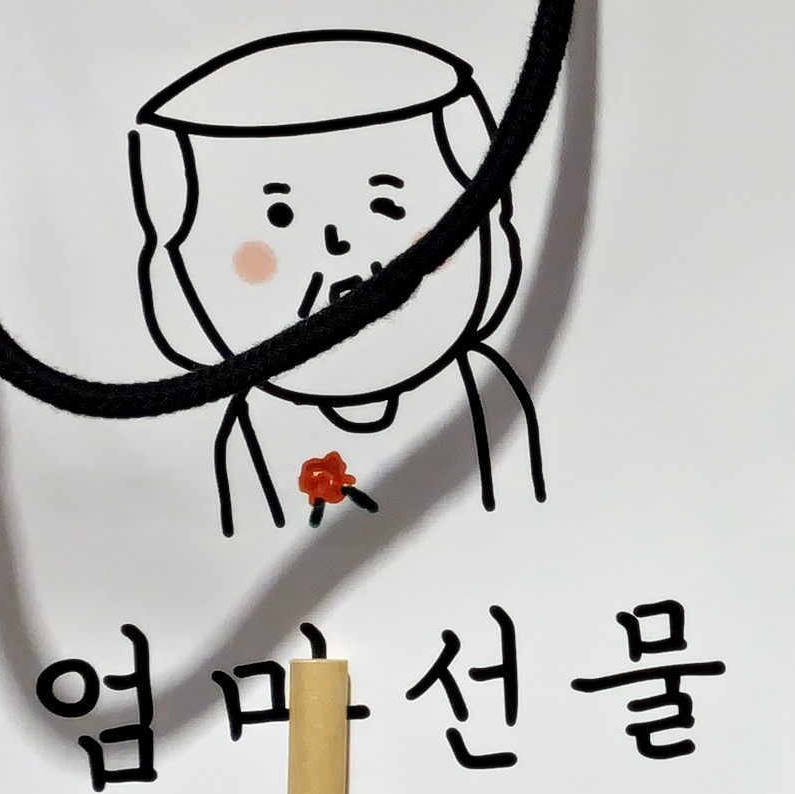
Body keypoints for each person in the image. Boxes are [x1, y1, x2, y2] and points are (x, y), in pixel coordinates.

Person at [131, 28, 543, 536]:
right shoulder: (250, 438)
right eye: (279, 216)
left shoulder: (489, 393)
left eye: (387, 204)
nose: (337, 243)